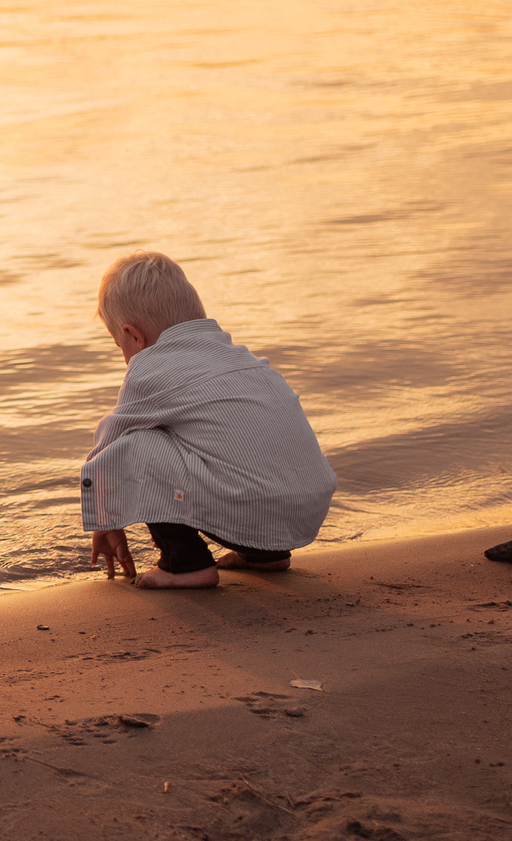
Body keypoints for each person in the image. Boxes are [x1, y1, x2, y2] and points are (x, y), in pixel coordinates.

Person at [78, 251, 337, 590]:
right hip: (305, 509)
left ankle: (183, 563)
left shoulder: (150, 368)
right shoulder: (242, 359)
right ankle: (265, 556)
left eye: (120, 346)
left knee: (134, 443)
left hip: (255, 512)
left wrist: (103, 517)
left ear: (133, 335)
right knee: (233, 452)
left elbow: (109, 445)